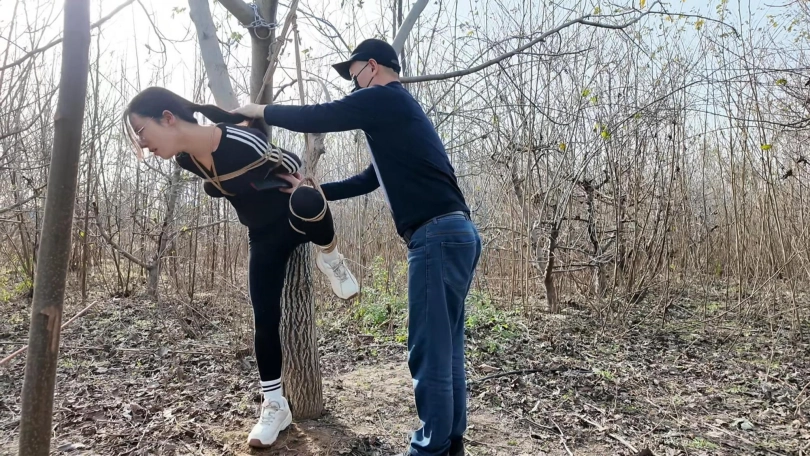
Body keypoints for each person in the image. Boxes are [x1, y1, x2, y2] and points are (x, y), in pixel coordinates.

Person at [232, 39, 481, 456]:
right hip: (456, 234)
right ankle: (449, 442)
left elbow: (321, 115)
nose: (353, 85)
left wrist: (259, 111)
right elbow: (369, 178)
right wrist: (317, 191)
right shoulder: (400, 114)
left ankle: (430, 448)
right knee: (446, 349)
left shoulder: (385, 98)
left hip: (436, 237)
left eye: (354, 75)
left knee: (429, 352)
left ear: (372, 66)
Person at [123, 87, 360, 448]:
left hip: (293, 219)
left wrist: (298, 180)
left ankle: (331, 257)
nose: (142, 143)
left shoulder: (239, 141)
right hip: (261, 237)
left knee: (308, 197)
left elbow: (291, 161)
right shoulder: (186, 160)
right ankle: (275, 406)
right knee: (264, 318)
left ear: (167, 118)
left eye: (141, 131)